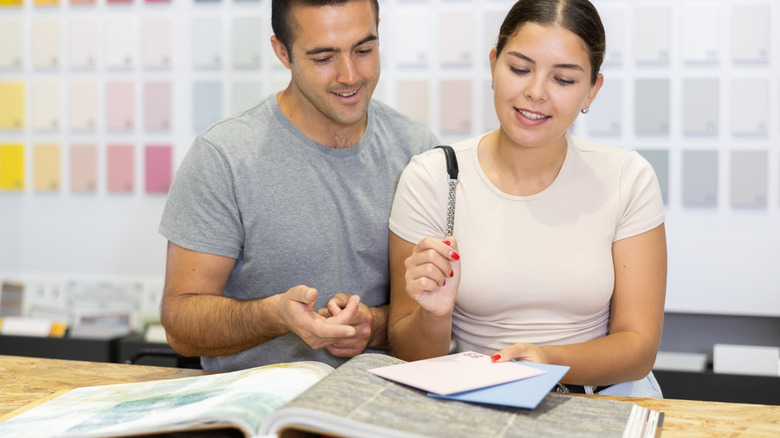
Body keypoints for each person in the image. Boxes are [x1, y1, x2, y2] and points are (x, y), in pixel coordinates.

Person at [387, 0, 666, 398]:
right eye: (519, 69)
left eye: (564, 80)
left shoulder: (627, 178)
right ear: (493, 65)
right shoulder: (432, 177)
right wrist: (434, 314)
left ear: (592, 89)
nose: (535, 93)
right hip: (481, 405)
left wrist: (544, 360)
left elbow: (638, 347)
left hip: (605, 401)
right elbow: (410, 352)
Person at [158, 0, 438, 371]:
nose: (350, 75)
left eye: (364, 49)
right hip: (259, 412)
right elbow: (181, 327)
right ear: (282, 52)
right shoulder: (223, 157)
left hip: (377, 409)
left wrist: (373, 326)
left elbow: (435, 312)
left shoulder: (418, 150)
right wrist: (274, 316)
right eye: (324, 58)